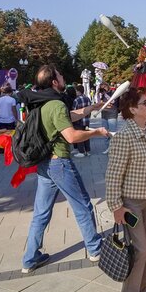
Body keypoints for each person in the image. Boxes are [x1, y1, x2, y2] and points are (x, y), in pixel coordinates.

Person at [20, 65, 109, 272]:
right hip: (59, 162)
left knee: (41, 213)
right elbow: (71, 135)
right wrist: (96, 132)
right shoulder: (55, 104)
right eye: (60, 75)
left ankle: (29, 259)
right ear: (54, 82)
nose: (63, 77)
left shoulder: (41, 103)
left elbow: (70, 115)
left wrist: (92, 108)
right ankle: (95, 249)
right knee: (83, 206)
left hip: (44, 164)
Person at [105, 87, 146, 292]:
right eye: (145, 103)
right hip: (131, 204)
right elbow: (112, 175)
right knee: (141, 250)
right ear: (132, 110)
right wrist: (116, 207)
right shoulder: (124, 136)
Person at [72, 84, 92, 157]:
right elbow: (90, 109)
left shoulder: (76, 100)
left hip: (79, 120)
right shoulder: (87, 98)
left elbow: (74, 110)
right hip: (86, 120)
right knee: (87, 135)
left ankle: (81, 152)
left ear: (78, 91)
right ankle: (87, 150)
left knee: (80, 136)